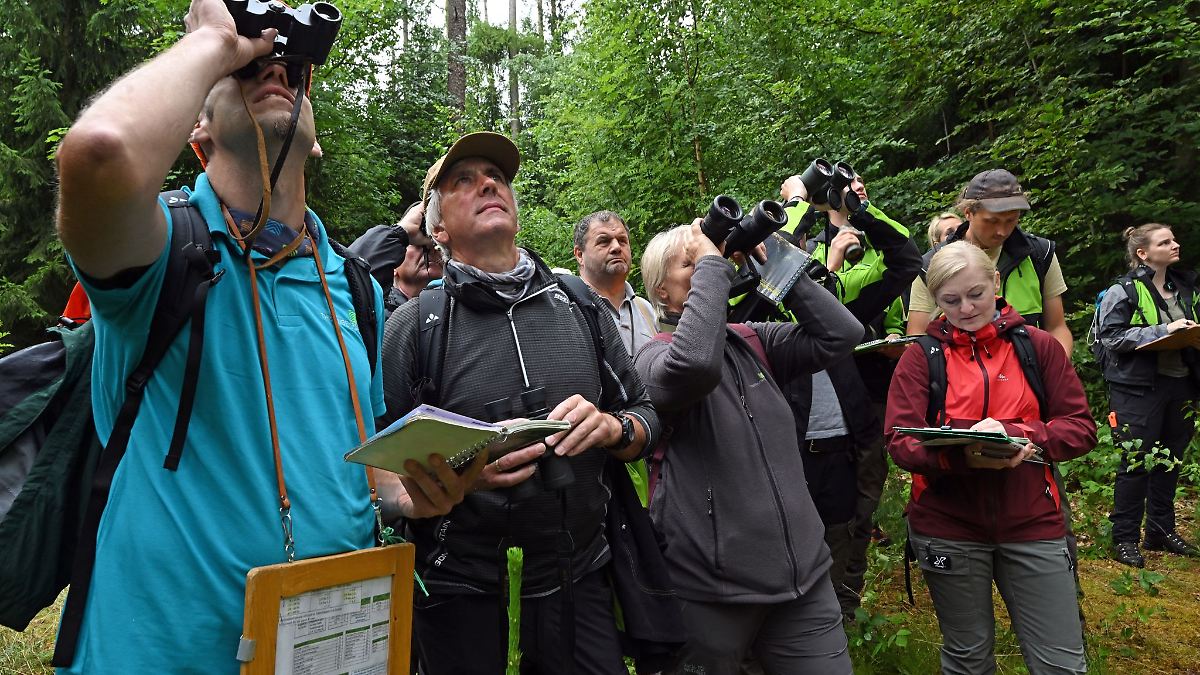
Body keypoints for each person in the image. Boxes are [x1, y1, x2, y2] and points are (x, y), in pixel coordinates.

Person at [51, 1, 474, 672]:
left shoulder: (356, 290)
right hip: (161, 656)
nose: (272, 70)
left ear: (317, 135)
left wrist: (405, 492)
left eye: (290, 69)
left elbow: (358, 473)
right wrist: (219, 44)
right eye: (248, 73)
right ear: (199, 133)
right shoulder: (167, 256)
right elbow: (99, 154)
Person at [381, 131, 661, 674]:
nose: (488, 183)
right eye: (463, 180)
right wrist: (458, 476)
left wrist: (610, 429)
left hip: (577, 579)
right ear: (437, 228)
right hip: (459, 589)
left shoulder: (578, 306)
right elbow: (381, 472)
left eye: (498, 177)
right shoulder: (416, 325)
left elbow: (646, 418)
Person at [635, 220, 858, 674]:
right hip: (711, 593)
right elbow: (696, 363)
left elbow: (841, 334)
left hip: (803, 581)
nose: (711, 267)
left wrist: (776, 261)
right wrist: (714, 266)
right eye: (692, 263)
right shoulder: (651, 358)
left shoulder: (754, 340)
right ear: (662, 292)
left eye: (711, 259)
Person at [885, 242, 1095, 675]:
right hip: (948, 524)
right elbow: (899, 440)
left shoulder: (1038, 347)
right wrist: (962, 458)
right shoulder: (920, 357)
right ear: (933, 300)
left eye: (976, 294)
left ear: (996, 283)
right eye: (950, 300)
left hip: (1033, 520)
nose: (965, 308)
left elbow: (1080, 428)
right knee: (967, 658)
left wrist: (1018, 433)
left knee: (1061, 662)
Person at [778, 171, 921, 619]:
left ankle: (840, 609)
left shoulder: (843, 298)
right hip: (786, 437)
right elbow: (774, 284)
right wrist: (798, 204)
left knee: (852, 521)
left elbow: (905, 262)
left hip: (845, 430)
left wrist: (857, 210)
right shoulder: (761, 299)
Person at [1096, 223, 1200, 566]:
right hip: (1137, 389)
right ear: (1143, 253)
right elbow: (1110, 337)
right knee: (1137, 463)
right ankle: (1124, 539)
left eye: (1174, 238)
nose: (1175, 244)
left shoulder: (1185, 287)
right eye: (1165, 241)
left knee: (1170, 461)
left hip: (1182, 384)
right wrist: (1164, 330)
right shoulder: (1122, 291)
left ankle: (1159, 531)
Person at [907, 169, 1073, 355]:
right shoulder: (931, 265)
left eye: (1011, 220)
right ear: (968, 212)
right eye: (992, 221)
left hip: (1031, 374)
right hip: (961, 379)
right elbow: (917, 340)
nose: (1002, 231)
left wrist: (1058, 371)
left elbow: (1057, 328)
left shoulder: (1041, 254)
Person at [574, 209, 658, 356]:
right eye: (604, 241)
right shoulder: (571, 310)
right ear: (580, 255)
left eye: (622, 240)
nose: (616, 247)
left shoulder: (646, 310)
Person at [348, 202, 444, 317]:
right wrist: (401, 232)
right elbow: (346, 284)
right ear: (393, 267)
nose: (431, 249)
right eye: (416, 244)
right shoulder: (377, 310)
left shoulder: (454, 315)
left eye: (437, 244)